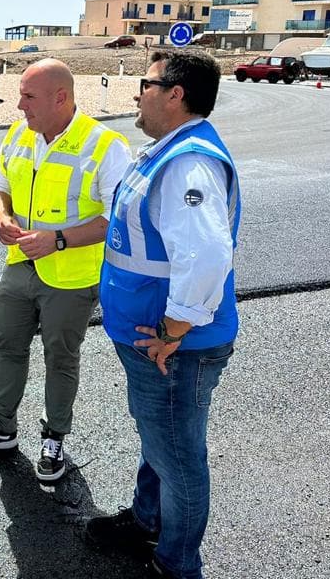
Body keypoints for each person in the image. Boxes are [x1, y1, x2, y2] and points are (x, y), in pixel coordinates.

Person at [85, 51, 241, 579]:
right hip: (156, 338)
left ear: (176, 94)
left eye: (146, 84)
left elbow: (208, 255)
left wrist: (174, 330)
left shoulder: (187, 164)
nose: (137, 93)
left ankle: (176, 563)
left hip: (174, 347)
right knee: (162, 442)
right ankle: (147, 521)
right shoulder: (165, 152)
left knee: (178, 457)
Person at [0, 58, 130, 482]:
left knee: (60, 357)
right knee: (7, 344)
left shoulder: (105, 145)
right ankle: (2, 427)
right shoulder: (20, 134)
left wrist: (58, 240)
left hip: (71, 277)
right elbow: (0, 188)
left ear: (60, 98)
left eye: (28, 96)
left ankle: (54, 437)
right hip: (20, 263)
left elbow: (118, 219)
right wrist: (3, 218)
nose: (19, 105)